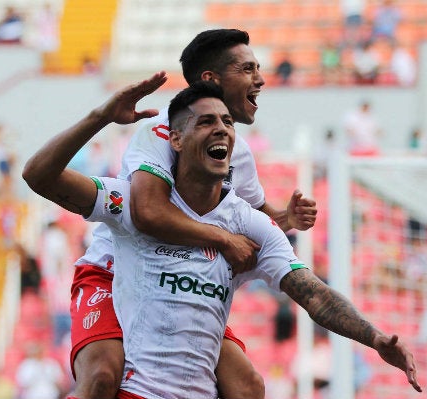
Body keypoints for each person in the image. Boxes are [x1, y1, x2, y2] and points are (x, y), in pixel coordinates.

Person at [23, 75, 422, 399]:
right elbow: (38, 175)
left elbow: (313, 293)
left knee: (250, 388)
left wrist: (375, 336)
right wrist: (100, 116)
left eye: (227, 123)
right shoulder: (132, 202)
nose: (222, 130)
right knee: (100, 379)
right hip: (135, 384)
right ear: (175, 139)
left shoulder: (250, 225)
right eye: (206, 122)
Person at [61, 29, 316, 399]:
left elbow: (253, 215)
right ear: (211, 79)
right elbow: (148, 212)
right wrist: (222, 238)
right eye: (247, 69)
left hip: (177, 278)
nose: (259, 80)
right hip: (114, 272)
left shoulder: (236, 151)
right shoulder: (161, 130)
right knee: (102, 376)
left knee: (248, 386)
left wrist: (284, 218)